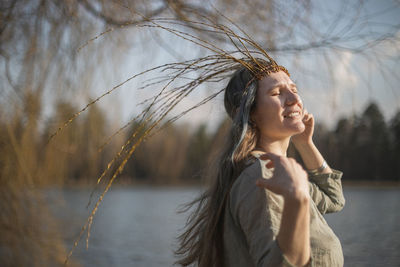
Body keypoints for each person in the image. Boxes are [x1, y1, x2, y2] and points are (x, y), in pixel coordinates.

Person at [175, 59, 345, 267]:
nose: (294, 99)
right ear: (250, 113)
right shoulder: (262, 176)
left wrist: (306, 144)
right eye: (277, 93)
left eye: (294, 89)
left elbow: (334, 197)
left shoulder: (274, 171)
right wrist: (296, 202)